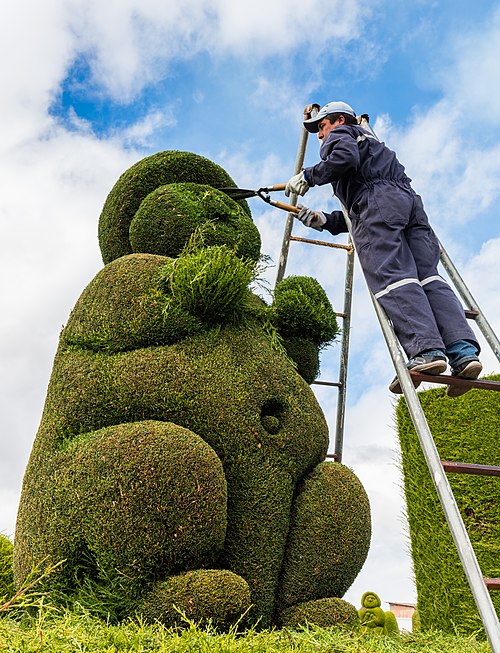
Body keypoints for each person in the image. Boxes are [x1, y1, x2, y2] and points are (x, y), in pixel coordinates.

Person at [285, 101, 482, 397]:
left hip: (380, 203)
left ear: (339, 120)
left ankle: (427, 351)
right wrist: (324, 220)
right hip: (408, 204)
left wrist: (309, 176)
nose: (320, 136)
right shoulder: (374, 145)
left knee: (392, 276)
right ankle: (463, 352)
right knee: (428, 278)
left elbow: (348, 167)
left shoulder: (342, 135)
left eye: (322, 127)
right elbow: (365, 206)